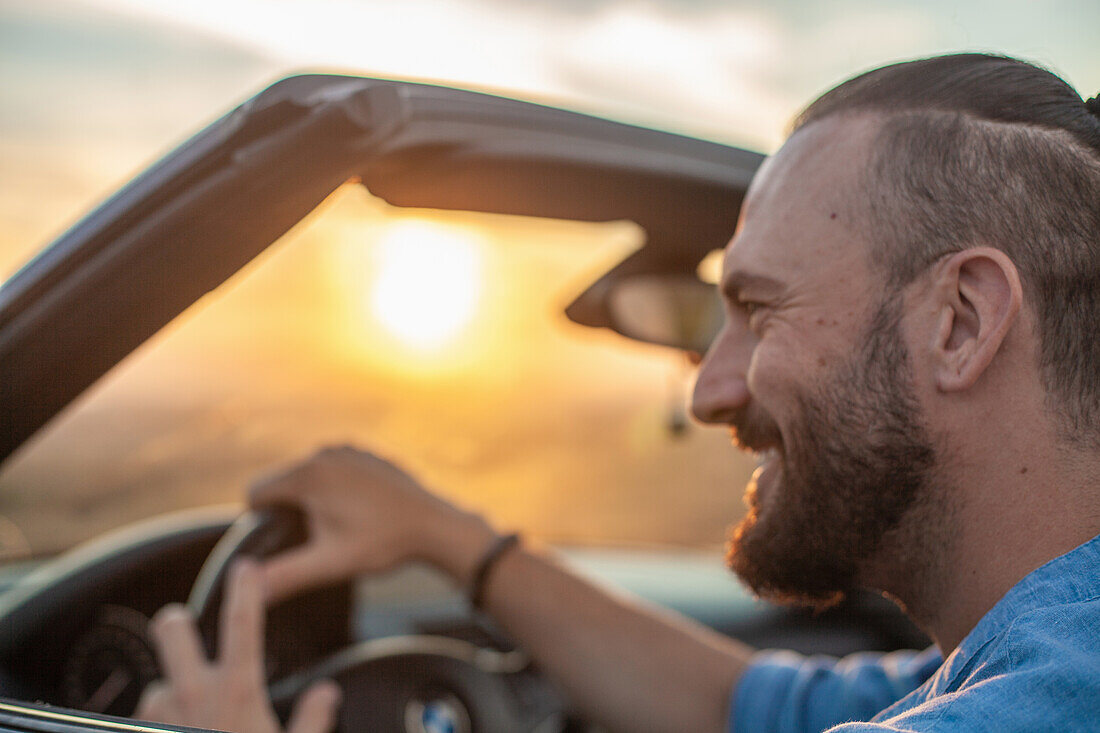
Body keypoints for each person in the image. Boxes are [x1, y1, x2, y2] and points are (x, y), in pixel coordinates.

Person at [134, 53, 1100, 732]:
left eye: (760, 311)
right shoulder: (1019, 653)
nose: (708, 393)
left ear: (962, 322)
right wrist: (450, 537)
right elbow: (735, 708)